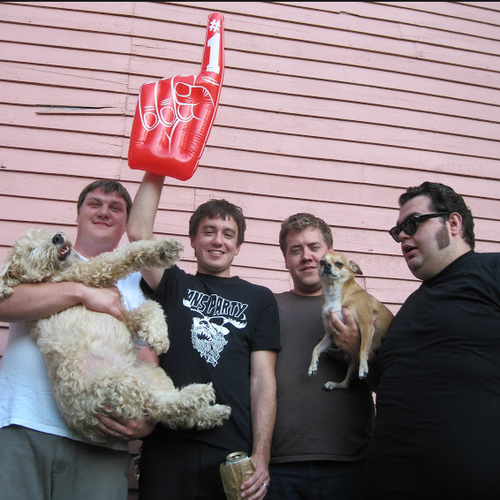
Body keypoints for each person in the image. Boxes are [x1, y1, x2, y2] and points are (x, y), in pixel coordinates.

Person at [127, 172, 280, 500]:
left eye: (228, 234)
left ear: (238, 247)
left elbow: (263, 380)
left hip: (230, 451)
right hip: (168, 445)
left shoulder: (260, 299)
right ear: (193, 241)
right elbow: (138, 234)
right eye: (208, 231)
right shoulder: (173, 284)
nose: (217, 240)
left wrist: (262, 454)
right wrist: (158, 167)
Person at [0, 179, 155, 500]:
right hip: (24, 425)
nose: (104, 212)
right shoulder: (44, 256)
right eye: (95, 204)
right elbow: (4, 302)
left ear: (126, 223)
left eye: (115, 208)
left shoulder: (138, 284)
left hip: (100, 439)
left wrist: (148, 421)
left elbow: (146, 359)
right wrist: (80, 292)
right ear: (78, 214)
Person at [364, 181, 500, 499]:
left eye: (412, 223)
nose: (402, 236)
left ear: (453, 223)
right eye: (397, 230)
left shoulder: (492, 271)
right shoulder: (408, 309)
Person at [266, 213, 375, 500]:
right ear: (286, 260)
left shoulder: (360, 308)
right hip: (279, 465)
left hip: (350, 462)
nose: (307, 257)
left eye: (314, 247)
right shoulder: (268, 308)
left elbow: (388, 377)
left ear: (331, 253)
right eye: (295, 250)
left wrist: (356, 347)